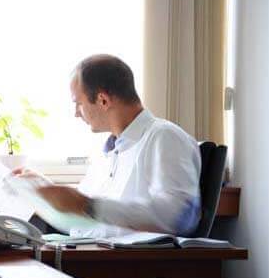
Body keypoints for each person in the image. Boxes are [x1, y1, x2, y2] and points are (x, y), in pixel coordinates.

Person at [16, 54, 201, 238]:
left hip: (129, 256)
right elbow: (81, 209)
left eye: (78, 104)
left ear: (103, 100)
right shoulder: (107, 153)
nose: (76, 113)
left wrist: (87, 206)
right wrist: (43, 189)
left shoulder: (164, 137)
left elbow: (178, 215)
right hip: (90, 249)